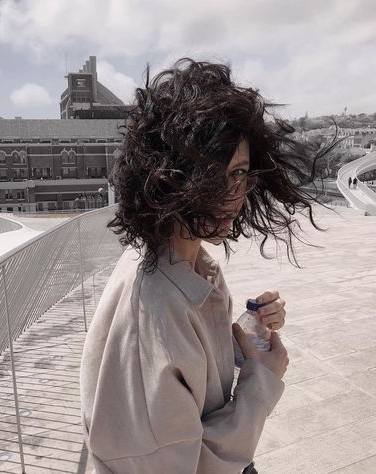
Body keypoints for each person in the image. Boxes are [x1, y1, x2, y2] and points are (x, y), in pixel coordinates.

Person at [80, 58, 337, 474]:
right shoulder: (155, 307)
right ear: (169, 179)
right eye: (215, 176)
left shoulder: (184, 263)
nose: (234, 195)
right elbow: (191, 466)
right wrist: (263, 379)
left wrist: (247, 337)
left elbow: (189, 379)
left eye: (241, 174)